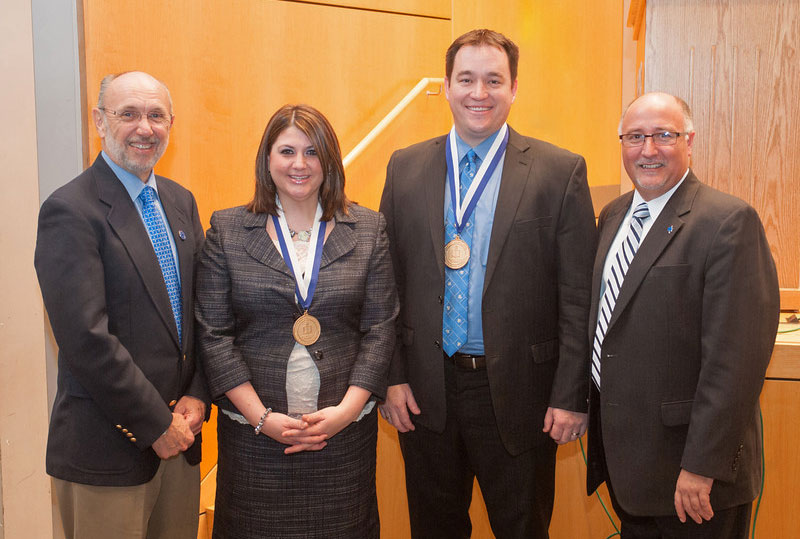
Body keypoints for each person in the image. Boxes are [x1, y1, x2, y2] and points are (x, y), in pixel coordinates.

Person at [379, 29, 598, 538]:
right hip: (424, 392)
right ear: (449, 87)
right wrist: (391, 377)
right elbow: (385, 285)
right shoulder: (405, 167)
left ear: (514, 88)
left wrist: (570, 394)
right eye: (467, 79)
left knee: (522, 528)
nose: (480, 93)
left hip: (521, 394)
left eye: (494, 80)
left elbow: (576, 296)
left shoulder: (559, 171)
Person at [195, 103, 398, 538]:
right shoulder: (228, 230)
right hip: (254, 441)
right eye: (286, 151)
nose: (300, 164)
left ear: (329, 161)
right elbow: (213, 335)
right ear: (267, 160)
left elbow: (380, 329)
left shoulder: (367, 228)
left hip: (341, 439)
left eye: (312, 151)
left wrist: (346, 412)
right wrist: (262, 419)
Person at [586, 92, 779, 538]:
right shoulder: (613, 216)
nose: (648, 150)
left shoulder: (728, 221)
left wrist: (701, 467)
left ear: (690, 141)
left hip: (692, 479)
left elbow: (736, 363)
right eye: (635, 136)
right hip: (631, 471)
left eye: (664, 136)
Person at [34, 71, 208, 539]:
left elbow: (199, 312)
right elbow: (85, 339)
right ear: (99, 120)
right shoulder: (70, 210)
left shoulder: (180, 202)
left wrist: (198, 393)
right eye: (127, 114)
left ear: (172, 122)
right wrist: (156, 423)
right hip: (107, 450)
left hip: (181, 443)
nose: (144, 128)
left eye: (155, 115)